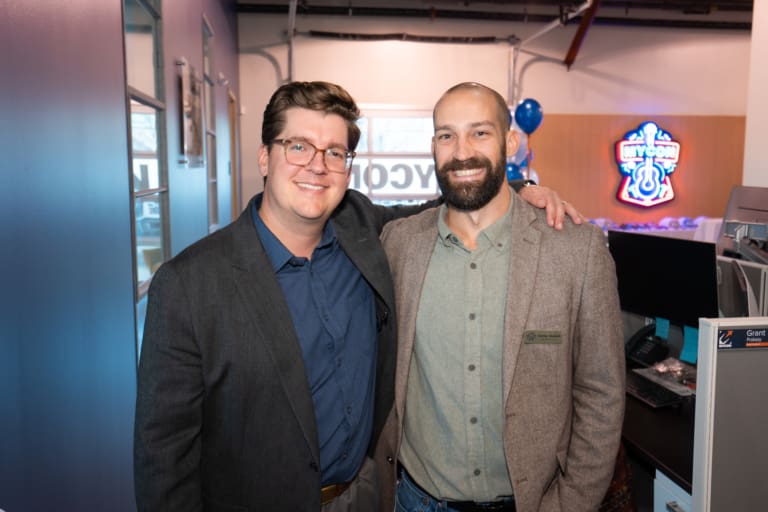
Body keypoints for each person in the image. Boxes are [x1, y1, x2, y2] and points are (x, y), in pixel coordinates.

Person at [133, 81, 581, 511]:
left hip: (368, 496)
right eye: (298, 146)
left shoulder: (363, 229)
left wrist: (521, 188)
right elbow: (163, 458)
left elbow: (440, 207)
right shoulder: (189, 285)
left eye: (335, 152)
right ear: (264, 157)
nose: (317, 165)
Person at [375, 82, 625, 512]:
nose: (461, 151)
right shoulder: (398, 245)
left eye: (480, 133)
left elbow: (601, 393)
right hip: (415, 500)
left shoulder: (576, 250)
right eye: (446, 135)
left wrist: (572, 504)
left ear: (510, 141)